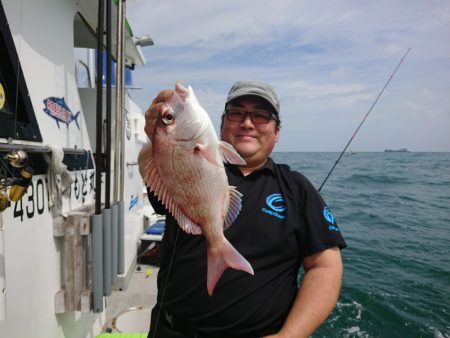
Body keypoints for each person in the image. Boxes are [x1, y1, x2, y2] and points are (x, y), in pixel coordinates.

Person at [138, 80, 346, 338]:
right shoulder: (186, 155)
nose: (247, 123)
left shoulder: (297, 189)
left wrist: (289, 336)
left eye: (261, 116)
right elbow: (154, 169)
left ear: (277, 132)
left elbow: (326, 266)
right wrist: (157, 135)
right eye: (237, 113)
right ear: (222, 123)